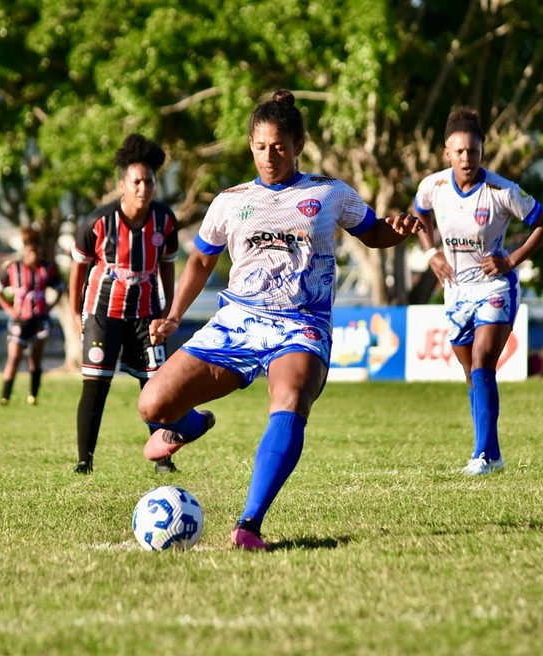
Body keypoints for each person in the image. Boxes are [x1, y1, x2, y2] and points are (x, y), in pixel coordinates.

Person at [136, 90, 419, 551]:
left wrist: (398, 229)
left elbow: (373, 233)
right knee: (151, 407)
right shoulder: (231, 201)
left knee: (289, 398)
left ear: (299, 145)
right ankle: (188, 426)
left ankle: (249, 524)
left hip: (300, 323)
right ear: (251, 144)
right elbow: (200, 263)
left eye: (281, 147)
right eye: (262, 146)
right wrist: (173, 315)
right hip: (238, 322)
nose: (271, 156)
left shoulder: (329, 193)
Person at [411, 106, 543, 476]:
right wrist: (431, 253)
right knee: (471, 374)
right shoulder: (434, 186)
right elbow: (418, 215)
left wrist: (513, 259)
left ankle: (482, 456)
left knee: (482, 364)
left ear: (482, 152)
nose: (466, 158)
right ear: (447, 153)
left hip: (495, 288)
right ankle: (492, 454)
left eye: (473, 151)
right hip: (456, 291)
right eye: (459, 151)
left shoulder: (501, 191)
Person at [69, 133, 180, 475]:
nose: (143, 188)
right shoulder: (98, 222)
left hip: (145, 316)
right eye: (136, 182)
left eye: (148, 181)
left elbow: (167, 266)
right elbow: (78, 267)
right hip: (103, 314)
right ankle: (84, 461)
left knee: (155, 385)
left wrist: (166, 310)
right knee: (96, 384)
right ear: (123, 184)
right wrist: (76, 311)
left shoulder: (165, 221)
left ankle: (163, 459)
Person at [0, 228, 65, 406]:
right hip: (20, 319)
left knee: (35, 358)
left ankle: (33, 395)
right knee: (14, 357)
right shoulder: (13, 268)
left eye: (36, 251)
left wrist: (50, 305)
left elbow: (60, 287)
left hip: (40, 320)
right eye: (31, 251)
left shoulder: (46, 268)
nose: (34, 256)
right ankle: (5, 395)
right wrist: (8, 308)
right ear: (25, 250)